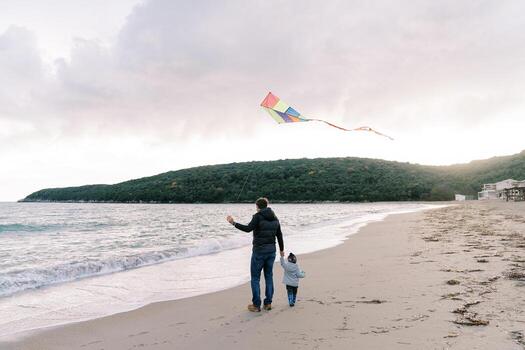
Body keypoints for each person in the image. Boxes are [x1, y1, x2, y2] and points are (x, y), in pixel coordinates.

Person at [227, 197, 284, 312]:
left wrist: (233, 223)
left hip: (259, 252)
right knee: (268, 276)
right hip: (271, 251)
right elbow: (279, 235)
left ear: (257, 206)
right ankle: (268, 303)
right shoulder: (275, 218)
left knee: (255, 278)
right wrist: (282, 249)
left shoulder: (257, 216)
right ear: (267, 205)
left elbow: (248, 229)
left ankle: (256, 305)